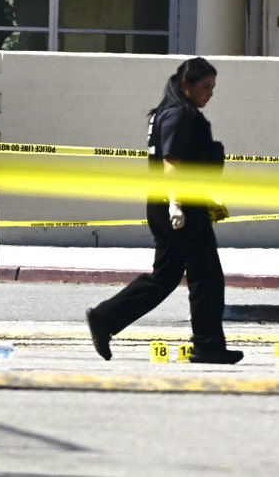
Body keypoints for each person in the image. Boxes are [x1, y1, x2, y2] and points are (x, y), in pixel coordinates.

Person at [85, 57, 242, 365]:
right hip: (177, 206)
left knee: (166, 276)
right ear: (186, 85)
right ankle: (208, 345)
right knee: (206, 274)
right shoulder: (179, 115)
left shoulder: (168, 112)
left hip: (173, 204)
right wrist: (177, 203)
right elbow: (172, 163)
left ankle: (105, 318)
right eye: (204, 87)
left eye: (213, 88)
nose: (209, 94)